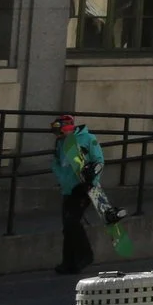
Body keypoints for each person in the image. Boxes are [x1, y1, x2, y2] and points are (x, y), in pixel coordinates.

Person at [51, 116, 104, 275]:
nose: (56, 134)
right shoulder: (60, 143)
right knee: (67, 226)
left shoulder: (88, 139)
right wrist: (62, 180)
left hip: (84, 188)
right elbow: (58, 164)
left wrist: (91, 181)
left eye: (58, 130)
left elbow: (99, 160)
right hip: (68, 190)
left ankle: (85, 255)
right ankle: (69, 262)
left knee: (72, 221)